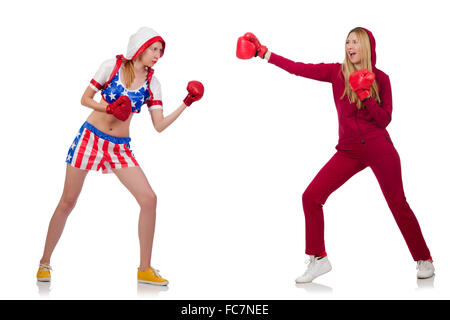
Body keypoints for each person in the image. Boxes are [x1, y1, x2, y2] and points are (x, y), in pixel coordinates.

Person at [236, 27, 434, 283]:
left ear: (366, 47)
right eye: (347, 42)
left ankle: (424, 259)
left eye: (355, 42)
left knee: (397, 203)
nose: (350, 46)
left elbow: (385, 120)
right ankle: (318, 258)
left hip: (379, 147)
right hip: (349, 150)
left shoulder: (381, 78)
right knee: (311, 196)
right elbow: (298, 68)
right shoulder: (335, 72)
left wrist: (365, 95)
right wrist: (264, 53)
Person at [37, 27, 204, 286]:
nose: (158, 55)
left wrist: (186, 102)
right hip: (90, 138)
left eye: (161, 51)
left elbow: (158, 126)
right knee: (68, 201)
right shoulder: (112, 67)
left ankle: (144, 269)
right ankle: (44, 262)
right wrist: (109, 106)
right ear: (140, 47)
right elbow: (85, 98)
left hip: (119, 147)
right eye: (154, 49)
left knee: (149, 199)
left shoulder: (152, 83)